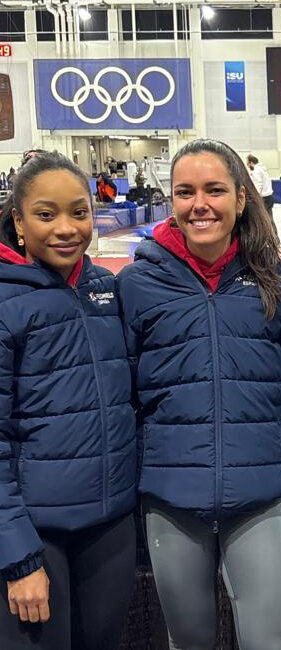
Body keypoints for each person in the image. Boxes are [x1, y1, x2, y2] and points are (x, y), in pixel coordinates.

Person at [117, 139, 281, 650]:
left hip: (258, 495)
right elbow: (128, 384)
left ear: (241, 198)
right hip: (172, 498)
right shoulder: (137, 284)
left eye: (214, 190)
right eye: (185, 192)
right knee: (190, 641)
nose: (199, 204)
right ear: (171, 200)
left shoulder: (273, 281)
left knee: (269, 642)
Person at [0, 152, 137, 649]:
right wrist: (18, 558)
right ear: (18, 220)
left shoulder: (105, 288)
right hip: (38, 536)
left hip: (110, 526)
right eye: (45, 214)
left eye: (79, 212)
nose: (66, 228)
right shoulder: (6, 302)